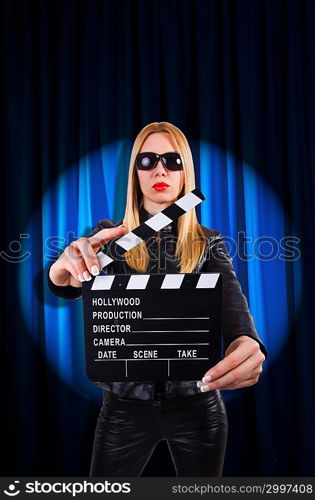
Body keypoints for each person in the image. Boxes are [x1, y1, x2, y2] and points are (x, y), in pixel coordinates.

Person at [47, 121, 267, 477]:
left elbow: (234, 307)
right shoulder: (109, 237)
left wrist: (248, 342)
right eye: (147, 160)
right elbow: (70, 281)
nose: (160, 169)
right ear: (135, 172)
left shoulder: (209, 243)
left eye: (172, 160)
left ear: (186, 175)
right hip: (123, 408)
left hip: (199, 407)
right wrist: (61, 272)